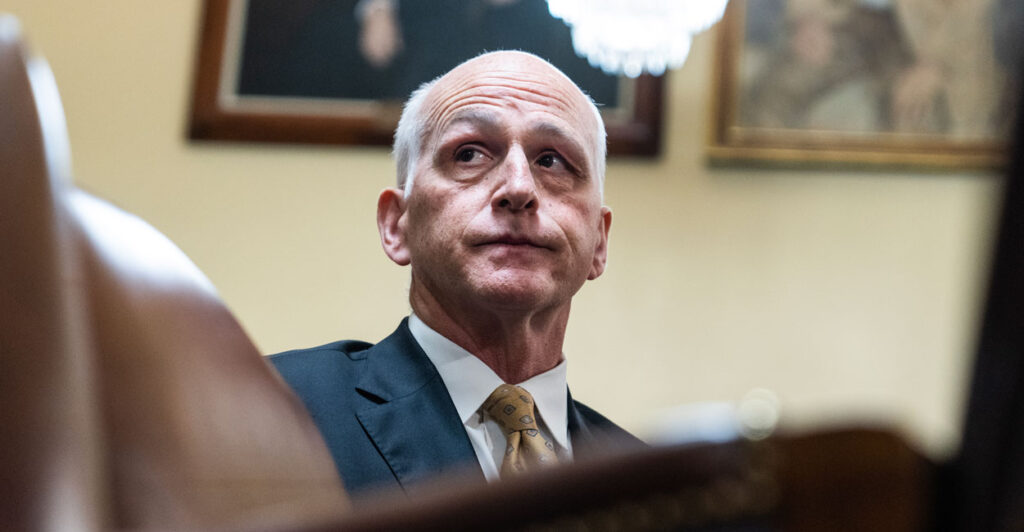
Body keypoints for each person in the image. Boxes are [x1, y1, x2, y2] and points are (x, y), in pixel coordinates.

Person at [269, 51, 639, 497]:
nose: (519, 188)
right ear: (396, 224)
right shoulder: (276, 409)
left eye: (552, 161)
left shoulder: (653, 484)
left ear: (599, 241)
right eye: (469, 154)